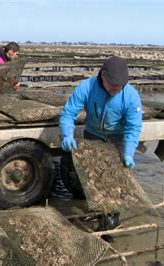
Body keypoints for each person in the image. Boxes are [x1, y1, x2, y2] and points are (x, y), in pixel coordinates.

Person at [59, 56, 143, 239]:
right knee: (94, 176)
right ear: (103, 76)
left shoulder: (130, 95)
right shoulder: (87, 87)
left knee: (114, 180)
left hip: (117, 138)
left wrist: (128, 153)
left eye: (120, 86)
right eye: (113, 85)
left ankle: (111, 220)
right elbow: (68, 113)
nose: (116, 89)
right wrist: (67, 135)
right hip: (93, 135)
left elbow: (133, 127)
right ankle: (98, 209)